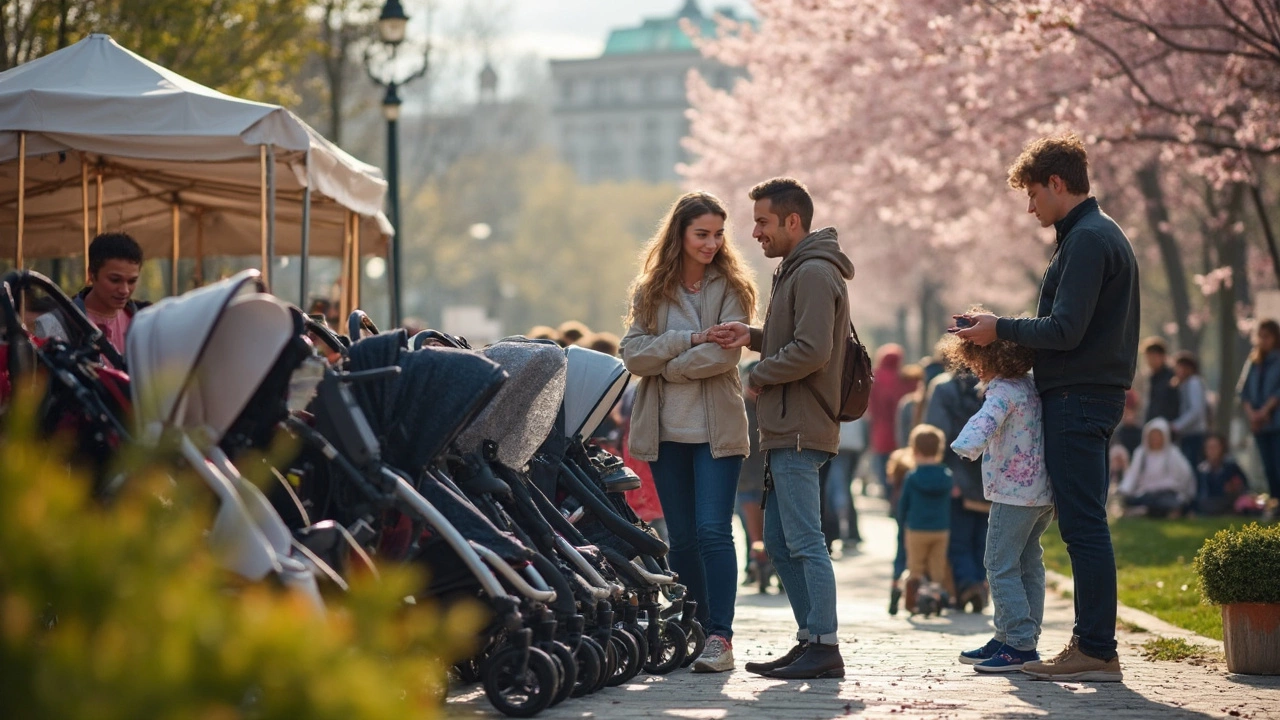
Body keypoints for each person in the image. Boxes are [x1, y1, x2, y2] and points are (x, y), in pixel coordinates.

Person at [955, 133, 1138, 683]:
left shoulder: (1087, 239)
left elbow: (1065, 328)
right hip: (1085, 395)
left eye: (1033, 194)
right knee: (1082, 524)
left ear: (1057, 184)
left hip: (1080, 398)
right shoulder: (1090, 235)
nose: (1030, 207)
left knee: (1083, 526)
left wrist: (999, 329)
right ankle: (1088, 643)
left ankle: (1097, 649)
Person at [708, 176, 854, 679]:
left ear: (794, 221)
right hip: (788, 425)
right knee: (778, 538)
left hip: (800, 425)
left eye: (764, 222)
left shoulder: (812, 272)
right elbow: (796, 336)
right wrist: (752, 337)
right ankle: (811, 636)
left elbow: (813, 350)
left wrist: (758, 372)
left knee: (805, 540)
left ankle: (825, 644)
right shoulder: (799, 269)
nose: (756, 233)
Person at [620, 191, 757, 673]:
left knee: (714, 531)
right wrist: (691, 338)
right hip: (665, 431)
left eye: (719, 234)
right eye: (702, 234)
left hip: (717, 430)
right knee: (680, 538)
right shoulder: (650, 290)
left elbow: (725, 354)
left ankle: (720, 636)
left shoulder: (734, 287)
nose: (712, 244)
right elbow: (633, 355)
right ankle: (692, 629)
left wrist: (668, 365)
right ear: (679, 233)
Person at [946, 331, 1054, 673]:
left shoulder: (1002, 391)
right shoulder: (1031, 387)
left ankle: (1019, 643)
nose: (974, 370)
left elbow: (986, 421)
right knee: (1028, 564)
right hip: (1040, 493)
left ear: (992, 360)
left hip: (1013, 492)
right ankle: (1012, 635)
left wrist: (964, 445)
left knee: (998, 564)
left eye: (976, 362)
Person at [924, 362, 988, 613]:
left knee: (958, 539)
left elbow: (938, 433)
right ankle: (979, 585)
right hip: (986, 475)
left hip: (956, 475)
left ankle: (968, 584)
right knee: (981, 538)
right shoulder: (993, 385)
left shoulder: (942, 387)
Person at [35, 232, 147, 359]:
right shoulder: (56, 324)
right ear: (92, 274)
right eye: (115, 280)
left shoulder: (145, 322)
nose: (125, 290)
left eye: (132, 281)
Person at [898, 424, 955, 611]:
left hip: (917, 529)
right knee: (937, 567)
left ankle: (912, 601)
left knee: (916, 567)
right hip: (941, 529)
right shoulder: (947, 476)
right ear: (939, 450)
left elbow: (903, 505)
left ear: (914, 450)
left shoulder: (912, 477)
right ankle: (935, 598)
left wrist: (902, 524)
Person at [1118, 418, 1195, 518]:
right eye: (1152, 435)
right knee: (1132, 501)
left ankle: (1149, 511)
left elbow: (1185, 475)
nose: (1155, 438)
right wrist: (1123, 490)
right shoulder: (1141, 453)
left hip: (1167, 493)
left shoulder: (1173, 454)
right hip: (1146, 493)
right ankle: (1153, 511)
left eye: (1158, 435)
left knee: (1170, 502)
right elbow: (1132, 475)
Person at [1240, 319, 1280, 501]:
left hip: (1275, 421)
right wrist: (1252, 414)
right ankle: (1274, 500)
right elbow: (1244, 391)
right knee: (1268, 466)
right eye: (1260, 336)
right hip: (1259, 424)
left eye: (1267, 337)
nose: (1263, 340)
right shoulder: (1254, 361)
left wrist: (1265, 411)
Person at [869, 345, 913, 497]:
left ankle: (890, 501)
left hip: (880, 433)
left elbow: (871, 409)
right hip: (901, 434)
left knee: (884, 472)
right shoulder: (904, 379)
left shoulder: (875, 378)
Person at [821, 417, 866, 552]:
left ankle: (843, 530)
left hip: (838, 441)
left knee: (837, 489)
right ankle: (848, 530)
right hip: (852, 442)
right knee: (842, 487)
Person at [1195, 434, 1253, 516]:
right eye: (1209, 448)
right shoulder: (1202, 469)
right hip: (1208, 503)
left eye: (1215, 447)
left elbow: (1244, 486)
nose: (1212, 451)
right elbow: (1200, 493)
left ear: (1222, 448)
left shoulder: (1231, 467)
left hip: (1228, 502)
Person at [1170, 351, 1209, 470]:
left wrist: (1177, 425)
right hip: (1187, 435)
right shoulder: (1184, 385)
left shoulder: (1194, 382)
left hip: (1195, 434)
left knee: (1192, 467)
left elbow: (1196, 410)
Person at [1142, 337, 1180, 424]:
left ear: (1163, 356)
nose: (1150, 361)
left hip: (1167, 425)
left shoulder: (1172, 376)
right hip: (1152, 423)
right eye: (1148, 357)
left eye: (1154, 357)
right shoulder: (1151, 377)